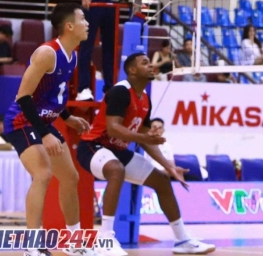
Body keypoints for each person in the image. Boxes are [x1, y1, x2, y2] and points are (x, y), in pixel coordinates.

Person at [77, 52, 214, 255]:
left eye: (150, 63)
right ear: (132, 70)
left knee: (162, 181)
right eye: (145, 63)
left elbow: (145, 137)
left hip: (117, 150)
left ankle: (182, 240)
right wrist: (144, 138)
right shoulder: (120, 91)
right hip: (92, 147)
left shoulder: (145, 100)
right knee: (116, 170)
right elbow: (113, 129)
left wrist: (169, 166)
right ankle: (105, 240)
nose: (151, 66)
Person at [2, 3, 94, 254]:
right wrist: (45, 134)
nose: (87, 23)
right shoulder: (47, 53)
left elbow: (51, 95)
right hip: (22, 121)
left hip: (43, 121)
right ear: (69, 26)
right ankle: (32, 247)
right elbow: (23, 96)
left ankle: (75, 244)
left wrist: (67, 117)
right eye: (83, 19)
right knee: (42, 174)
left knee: (71, 177)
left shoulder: (73, 55)